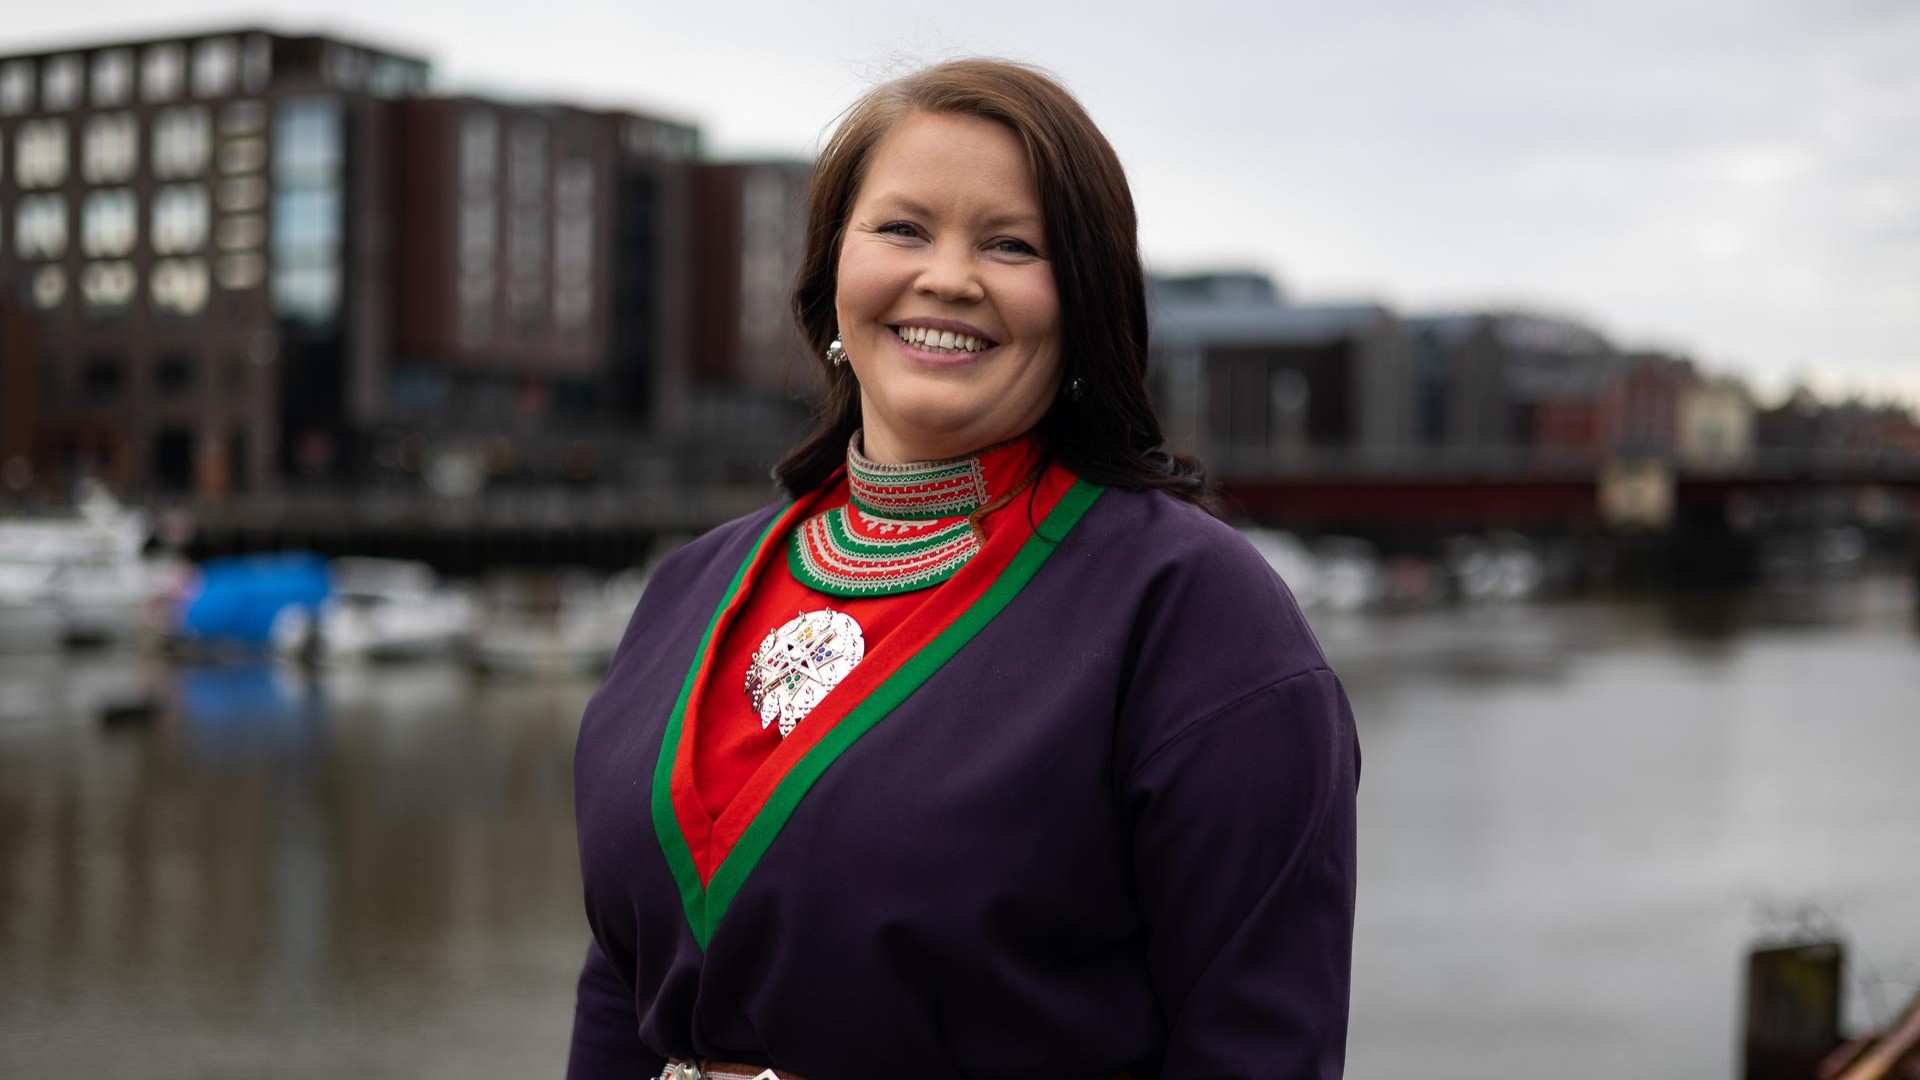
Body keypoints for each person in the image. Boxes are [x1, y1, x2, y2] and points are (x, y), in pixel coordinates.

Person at [568, 59, 1358, 1080]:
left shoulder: (1194, 613)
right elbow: (620, 984)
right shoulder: (691, 588)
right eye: (902, 229)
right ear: (829, 273)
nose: (948, 276)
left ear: (1084, 301)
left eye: (1012, 244)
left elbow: (1257, 1052)